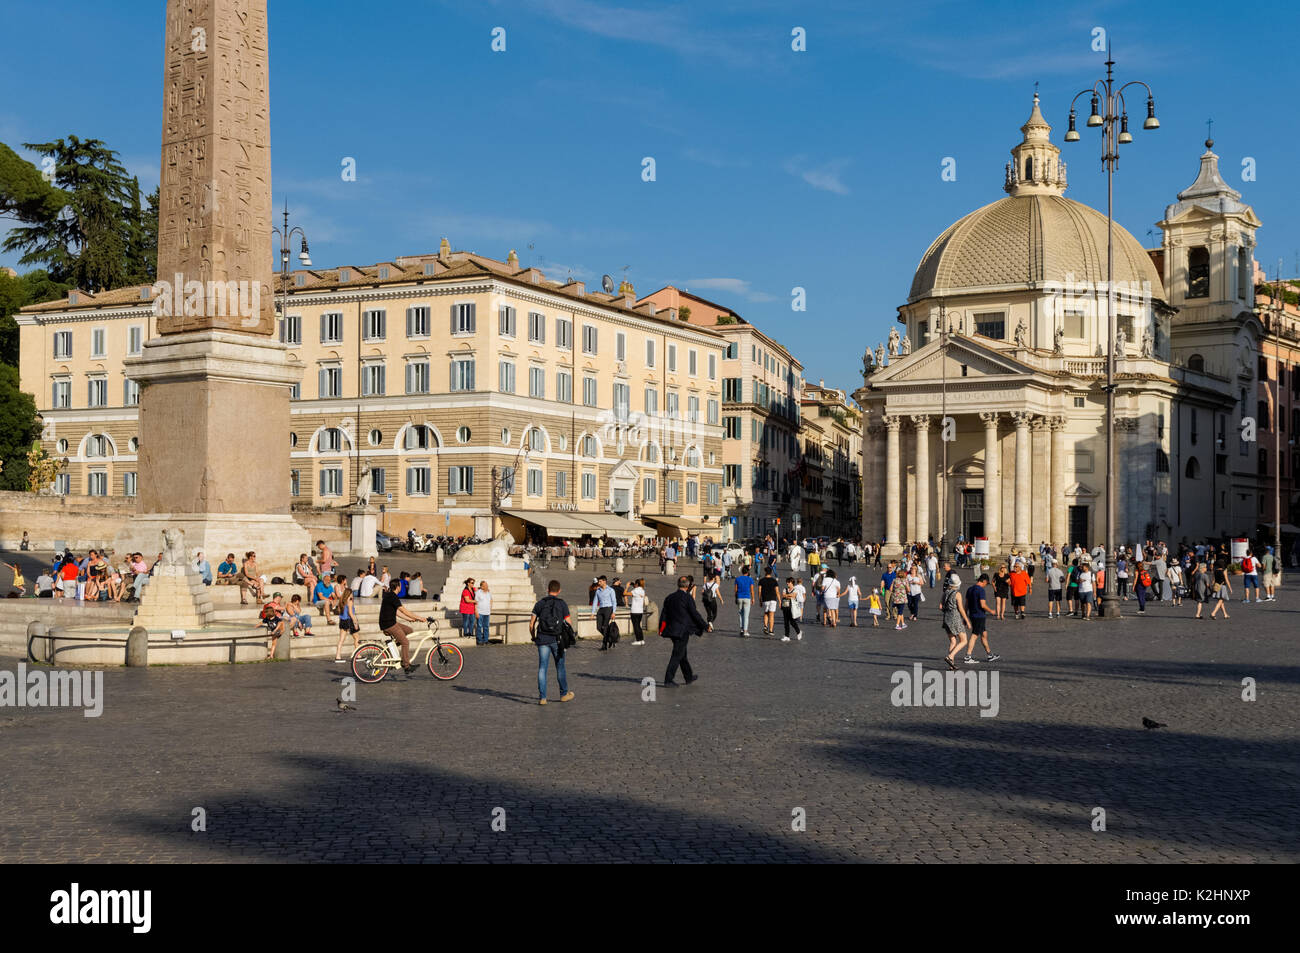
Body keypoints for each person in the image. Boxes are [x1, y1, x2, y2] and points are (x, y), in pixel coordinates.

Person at [529, 580, 576, 705]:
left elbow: (531, 624)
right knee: (560, 667)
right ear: (559, 590)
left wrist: (533, 637)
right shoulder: (562, 604)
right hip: (557, 639)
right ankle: (564, 694)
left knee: (542, 668)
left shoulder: (539, 604)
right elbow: (569, 622)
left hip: (542, 639)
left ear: (548, 590)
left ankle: (543, 697)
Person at [661, 574, 710, 686]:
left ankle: (688, 676)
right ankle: (668, 679)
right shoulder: (687, 598)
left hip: (672, 629)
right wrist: (705, 625)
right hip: (682, 630)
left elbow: (664, 614)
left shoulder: (669, 597)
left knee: (682, 654)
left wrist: (662, 629)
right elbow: (694, 614)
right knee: (677, 654)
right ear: (688, 586)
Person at [379, 579, 432, 676]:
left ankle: (392, 644)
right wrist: (419, 618)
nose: (401, 587)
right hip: (389, 624)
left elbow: (396, 612)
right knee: (405, 642)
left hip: (389, 622)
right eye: (400, 586)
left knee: (409, 630)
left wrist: (408, 619)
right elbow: (404, 610)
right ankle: (406, 665)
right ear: (398, 587)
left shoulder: (390, 595)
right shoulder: (393, 597)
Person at [963, 574, 999, 663]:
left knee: (984, 634)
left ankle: (989, 654)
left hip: (972, 615)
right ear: (984, 581)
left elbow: (966, 604)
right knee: (975, 635)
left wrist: (965, 617)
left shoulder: (970, 589)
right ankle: (968, 655)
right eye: (986, 584)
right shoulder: (981, 590)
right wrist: (991, 611)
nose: (986, 585)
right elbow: (983, 605)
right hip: (979, 615)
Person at [941, 572, 974, 671]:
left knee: (953, 641)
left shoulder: (945, 592)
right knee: (964, 640)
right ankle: (950, 657)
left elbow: (942, 606)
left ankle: (952, 665)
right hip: (955, 617)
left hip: (946, 617)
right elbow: (961, 609)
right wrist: (967, 620)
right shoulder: (957, 594)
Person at [333, 586, 361, 663]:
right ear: (350, 594)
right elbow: (351, 613)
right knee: (356, 638)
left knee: (341, 640)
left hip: (342, 620)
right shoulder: (350, 601)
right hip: (349, 621)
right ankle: (357, 655)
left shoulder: (341, 601)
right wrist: (355, 623)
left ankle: (338, 656)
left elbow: (339, 611)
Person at [591, 575, 617, 649]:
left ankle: (604, 645)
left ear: (604, 581)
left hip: (608, 609)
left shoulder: (611, 590)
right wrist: (593, 613)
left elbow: (614, 602)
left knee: (605, 627)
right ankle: (610, 639)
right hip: (601, 609)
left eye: (600, 581)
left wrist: (613, 612)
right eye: (598, 581)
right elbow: (595, 602)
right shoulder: (598, 591)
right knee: (599, 627)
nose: (599, 583)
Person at [260, 592, 289, 658]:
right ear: (277, 597)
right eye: (280, 597)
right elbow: (282, 609)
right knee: (290, 619)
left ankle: (271, 655)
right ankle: (271, 655)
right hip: (274, 623)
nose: (281, 598)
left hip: (277, 623)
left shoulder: (276, 604)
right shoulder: (272, 604)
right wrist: (286, 604)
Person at [758, 568, 780, 637]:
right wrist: (780, 601)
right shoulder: (774, 581)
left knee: (766, 613)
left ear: (765, 572)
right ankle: (771, 630)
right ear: (771, 572)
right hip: (773, 599)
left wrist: (760, 600)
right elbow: (777, 591)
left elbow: (759, 591)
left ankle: (765, 626)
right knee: (772, 615)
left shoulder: (761, 580)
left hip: (765, 599)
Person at [734, 567, 755, 637]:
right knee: (746, 615)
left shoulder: (737, 579)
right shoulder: (750, 579)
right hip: (747, 598)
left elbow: (736, 590)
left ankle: (742, 629)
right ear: (748, 572)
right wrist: (753, 598)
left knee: (741, 614)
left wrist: (735, 598)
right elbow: (752, 590)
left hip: (739, 597)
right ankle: (745, 631)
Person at [780, 577, 802, 642]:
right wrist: (789, 595)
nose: (787, 583)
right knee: (786, 622)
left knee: (792, 622)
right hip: (785, 607)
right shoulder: (785, 589)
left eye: (788, 582)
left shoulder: (795, 589)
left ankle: (798, 632)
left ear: (792, 583)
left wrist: (787, 595)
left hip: (792, 608)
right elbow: (783, 595)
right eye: (787, 582)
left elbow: (793, 596)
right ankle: (787, 636)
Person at [628, 578, 647, 645]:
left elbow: (625, 593)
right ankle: (641, 640)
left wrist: (627, 586)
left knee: (635, 626)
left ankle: (638, 640)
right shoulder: (642, 590)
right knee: (638, 626)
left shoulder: (635, 590)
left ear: (637, 584)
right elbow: (636, 591)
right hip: (640, 611)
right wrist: (634, 585)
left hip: (634, 611)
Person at [475, 580, 492, 645]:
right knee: (479, 626)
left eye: (487, 585)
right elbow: (475, 603)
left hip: (487, 613)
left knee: (486, 627)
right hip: (480, 612)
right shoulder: (478, 593)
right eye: (485, 585)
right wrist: (476, 611)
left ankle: (486, 640)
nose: (486, 586)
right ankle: (479, 641)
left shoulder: (489, 593)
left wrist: (490, 608)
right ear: (481, 587)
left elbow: (491, 600)